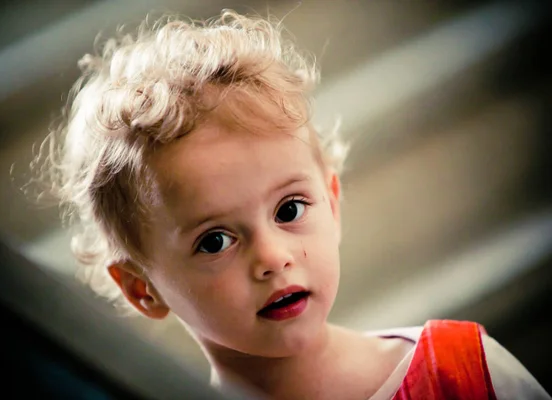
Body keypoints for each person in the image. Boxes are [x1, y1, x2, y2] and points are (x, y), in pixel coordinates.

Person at [31, 9, 551, 400]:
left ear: (332, 202)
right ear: (144, 290)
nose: (273, 257)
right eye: (215, 240)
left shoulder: (463, 371)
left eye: (289, 210)